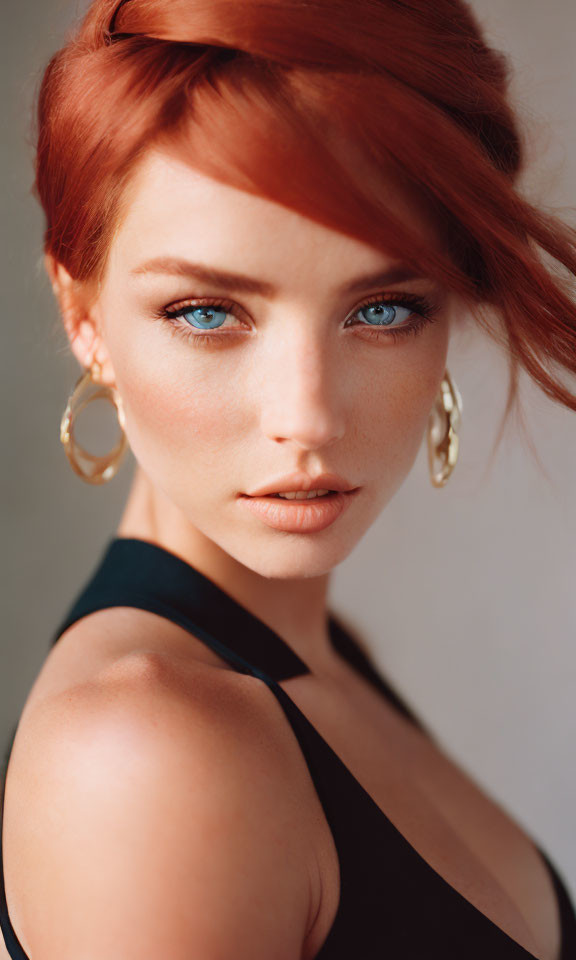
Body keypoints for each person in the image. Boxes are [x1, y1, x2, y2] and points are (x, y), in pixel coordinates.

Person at [1, 0, 576, 958]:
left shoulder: (311, 652)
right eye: (206, 313)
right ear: (84, 314)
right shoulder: (147, 755)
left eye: (383, 309)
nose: (306, 417)